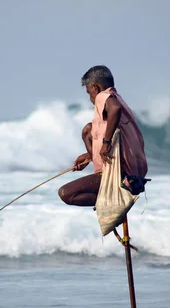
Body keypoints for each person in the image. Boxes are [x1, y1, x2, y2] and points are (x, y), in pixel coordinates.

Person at [58, 65, 148, 207]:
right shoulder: (120, 100)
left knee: (66, 193)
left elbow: (114, 109)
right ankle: (110, 196)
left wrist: (106, 143)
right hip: (137, 175)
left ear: (96, 87)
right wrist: (90, 156)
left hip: (121, 175)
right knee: (88, 130)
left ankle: (111, 202)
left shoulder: (104, 96)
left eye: (89, 93)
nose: (90, 99)